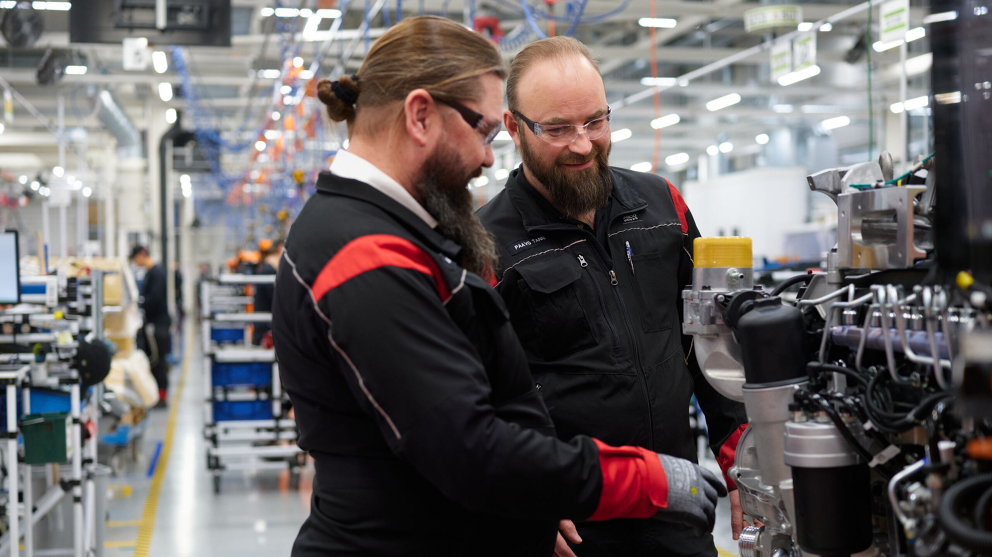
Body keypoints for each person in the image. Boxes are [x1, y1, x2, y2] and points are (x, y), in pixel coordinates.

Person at [271, 16, 726, 557]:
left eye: (596, 121)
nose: (487, 158)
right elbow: (468, 446)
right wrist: (642, 479)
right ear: (419, 115)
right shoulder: (366, 254)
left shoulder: (383, 233)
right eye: (483, 132)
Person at [477, 36, 750, 557]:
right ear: (513, 127)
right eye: (557, 129)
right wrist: (522, 495)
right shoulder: (486, 243)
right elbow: (483, 392)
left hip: (676, 500)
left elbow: (712, 340)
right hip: (573, 520)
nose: (582, 143)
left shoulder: (663, 205)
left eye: (595, 121)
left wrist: (741, 466)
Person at [129, 245, 171, 406]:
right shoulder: (152, 273)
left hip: (158, 325)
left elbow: (155, 299)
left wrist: (140, 304)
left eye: (135, 259)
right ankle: (156, 393)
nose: (135, 262)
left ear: (141, 255)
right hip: (155, 323)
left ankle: (161, 396)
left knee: (158, 361)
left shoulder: (156, 273)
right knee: (155, 360)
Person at [252, 239, 283, 346]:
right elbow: (278, 303)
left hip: (264, 331)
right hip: (265, 334)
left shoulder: (266, 269)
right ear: (281, 248)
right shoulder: (269, 272)